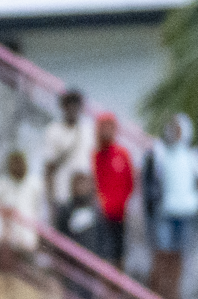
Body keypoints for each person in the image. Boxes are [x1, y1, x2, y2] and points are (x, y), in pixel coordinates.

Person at [143, 113, 198, 299]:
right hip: (166, 211)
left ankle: (172, 297)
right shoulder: (160, 152)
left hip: (186, 213)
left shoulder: (191, 156)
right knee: (162, 254)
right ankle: (155, 295)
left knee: (178, 256)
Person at [43, 88, 96, 223]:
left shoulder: (87, 130)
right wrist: (50, 201)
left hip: (83, 196)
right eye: (69, 104)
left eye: (76, 104)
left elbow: (94, 165)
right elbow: (49, 168)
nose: (72, 108)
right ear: (63, 107)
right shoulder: (53, 131)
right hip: (62, 196)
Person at [92, 113, 136, 270]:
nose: (106, 131)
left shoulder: (122, 154)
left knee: (118, 254)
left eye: (110, 127)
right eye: (103, 127)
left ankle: (116, 284)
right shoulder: (95, 154)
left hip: (119, 214)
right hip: (100, 214)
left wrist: (122, 204)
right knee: (100, 254)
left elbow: (130, 183)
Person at [0, 151, 43, 264]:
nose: (18, 166)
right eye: (14, 163)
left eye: (20, 163)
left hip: (27, 243)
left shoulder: (35, 185)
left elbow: (40, 213)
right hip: (4, 244)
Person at [55, 172, 109, 261]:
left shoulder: (96, 210)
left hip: (93, 259)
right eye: (78, 184)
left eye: (83, 184)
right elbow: (61, 235)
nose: (80, 187)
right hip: (72, 259)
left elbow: (103, 237)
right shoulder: (66, 210)